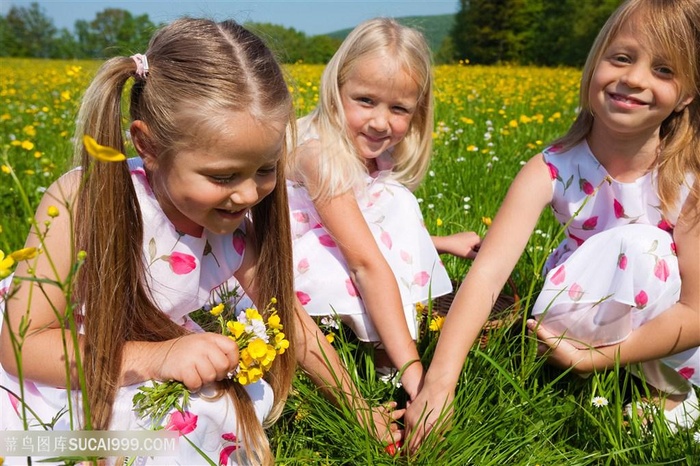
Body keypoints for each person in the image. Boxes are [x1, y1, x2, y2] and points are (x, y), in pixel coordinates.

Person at [0, 18, 399, 466]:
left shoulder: (229, 227)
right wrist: (158, 358)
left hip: (148, 359)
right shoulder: (84, 200)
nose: (248, 195)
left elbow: (288, 315)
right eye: (222, 176)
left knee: (220, 408)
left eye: (265, 170)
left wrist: (357, 405)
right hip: (61, 370)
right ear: (146, 145)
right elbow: (24, 347)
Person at [405, 0, 700, 450]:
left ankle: (665, 393)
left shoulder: (689, 178)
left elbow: (697, 312)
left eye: (664, 70)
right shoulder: (552, 168)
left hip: (662, 328)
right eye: (621, 58)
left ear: (687, 95)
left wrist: (595, 361)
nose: (635, 78)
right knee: (641, 248)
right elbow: (486, 277)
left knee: (647, 249)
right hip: (574, 318)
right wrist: (440, 383)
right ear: (594, 64)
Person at [285, 17, 480, 401]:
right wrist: (417, 373)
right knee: (395, 208)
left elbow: (360, 228)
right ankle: (391, 366)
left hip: (343, 255)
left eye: (399, 108)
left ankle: (383, 354)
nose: (379, 122)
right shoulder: (318, 154)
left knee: (396, 200)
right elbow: (364, 263)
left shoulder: (372, 156)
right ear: (335, 88)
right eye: (365, 101)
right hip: (282, 272)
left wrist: (436, 242)